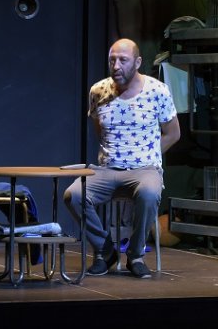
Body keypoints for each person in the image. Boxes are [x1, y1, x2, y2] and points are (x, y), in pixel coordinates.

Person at [64, 38, 181, 279]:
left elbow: (173, 133)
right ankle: (106, 250)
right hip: (107, 169)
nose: (116, 66)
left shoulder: (157, 90)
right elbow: (101, 130)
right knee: (73, 194)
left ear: (137, 62)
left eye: (123, 60)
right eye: (112, 60)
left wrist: (150, 155)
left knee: (148, 193)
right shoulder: (98, 91)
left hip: (144, 167)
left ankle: (136, 255)